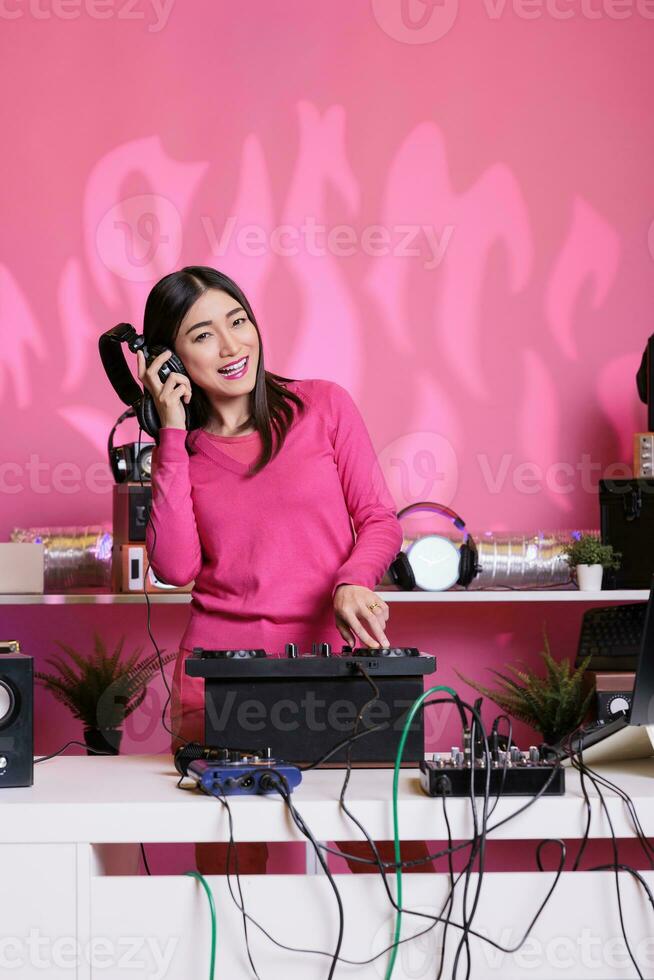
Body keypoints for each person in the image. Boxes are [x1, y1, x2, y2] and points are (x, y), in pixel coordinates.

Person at [138, 265, 433, 874]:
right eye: (202, 335)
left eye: (238, 321)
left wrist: (354, 580)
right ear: (169, 361)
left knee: (391, 866)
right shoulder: (183, 453)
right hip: (222, 693)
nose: (231, 346)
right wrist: (170, 430)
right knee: (236, 888)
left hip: (334, 680)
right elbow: (175, 566)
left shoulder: (321, 405)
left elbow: (379, 518)